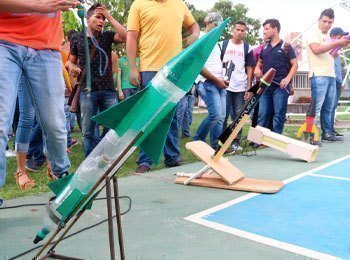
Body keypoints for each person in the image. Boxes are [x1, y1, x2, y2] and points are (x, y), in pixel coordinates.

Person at [0, 0, 79, 206]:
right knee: (1, 122)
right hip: (4, 40)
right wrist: (38, 6)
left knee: (55, 123)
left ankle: (63, 182)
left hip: (47, 47)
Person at [127, 0, 200, 173]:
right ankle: (145, 161)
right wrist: (132, 68)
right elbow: (131, 37)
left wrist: (195, 35)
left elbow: (194, 26)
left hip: (175, 69)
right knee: (149, 116)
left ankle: (172, 157)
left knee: (171, 115)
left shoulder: (179, 4)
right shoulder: (139, 4)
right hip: (149, 69)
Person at [67, 3, 127, 157]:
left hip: (108, 91)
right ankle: (90, 163)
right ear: (87, 19)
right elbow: (69, 61)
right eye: (98, 17)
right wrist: (70, 67)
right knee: (88, 131)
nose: (102, 21)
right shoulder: (77, 38)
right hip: (88, 92)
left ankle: (102, 154)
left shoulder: (106, 36)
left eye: (103, 19)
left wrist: (110, 17)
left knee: (114, 124)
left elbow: (126, 36)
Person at [304, 9, 350, 142]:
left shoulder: (328, 37)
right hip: (318, 74)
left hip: (330, 74)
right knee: (316, 107)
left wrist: (338, 46)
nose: (327, 24)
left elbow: (331, 54)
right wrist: (337, 43)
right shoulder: (312, 33)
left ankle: (327, 133)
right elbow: (316, 50)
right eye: (324, 21)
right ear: (318, 20)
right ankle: (310, 136)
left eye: (330, 22)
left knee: (329, 107)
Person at [254, 19, 298, 135]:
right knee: (262, 113)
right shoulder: (264, 48)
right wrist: (257, 69)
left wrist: (287, 79)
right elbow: (259, 63)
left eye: (267, 28)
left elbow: (295, 64)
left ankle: (276, 139)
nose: (265, 31)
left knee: (279, 113)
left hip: (281, 87)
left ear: (275, 29)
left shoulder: (286, 46)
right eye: (264, 29)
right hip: (265, 87)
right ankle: (259, 140)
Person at [193, 12, 227, 150]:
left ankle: (216, 147)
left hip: (220, 82)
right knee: (216, 115)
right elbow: (198, 65)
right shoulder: (199, 38)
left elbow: (217, 63)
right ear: (207, 22)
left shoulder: (218, 43)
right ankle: (197, 141)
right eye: (216, 25)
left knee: (221, 117)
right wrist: (215, 80)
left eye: (220, 26)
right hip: (206, 82)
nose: (218, 28)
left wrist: (224, 78)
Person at [221, 20, 255, 151]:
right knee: (223, 115)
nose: (240, 32)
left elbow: (250, 68)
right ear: (232, 30)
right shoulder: (222, 45)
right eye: (238, 30)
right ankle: (222, 141)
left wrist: (249, 87)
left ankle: (235, 141)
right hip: (225, 86)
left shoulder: (247, 47)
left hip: (240, 87)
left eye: (243, 30)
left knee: (238, 116)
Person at [330, 27, 348, 138]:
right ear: (334, 36)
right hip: (331, 79)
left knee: (334, 106)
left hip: (337, 81)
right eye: (340, 36)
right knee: (330, 106)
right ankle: (328, 131)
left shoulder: (337, 49)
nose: (342, 38)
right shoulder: (330, 48)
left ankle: (331, 129)